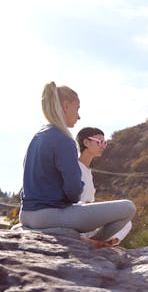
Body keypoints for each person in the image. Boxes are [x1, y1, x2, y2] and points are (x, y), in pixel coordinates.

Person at [19, 81, 136, 247]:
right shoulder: (63, 139)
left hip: (27, 215)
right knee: (128, 208)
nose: (79, 116)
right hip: (49, 216)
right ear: (66, 106)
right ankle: (90, 243)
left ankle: (76, 237)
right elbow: (73, 191)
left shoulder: (37, 137)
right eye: (77, 108)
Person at [76, 127, 132, 245]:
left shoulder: (88, 171)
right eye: (100, 142)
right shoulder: (74, 168)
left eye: (104, 142)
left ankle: (105, 243)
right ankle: (89, 241)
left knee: (126, 222)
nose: (103, 146)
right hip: (75, 219)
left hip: (88, 222)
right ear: (86, 142)